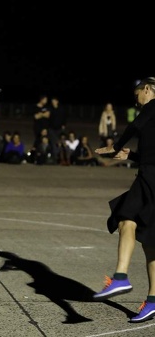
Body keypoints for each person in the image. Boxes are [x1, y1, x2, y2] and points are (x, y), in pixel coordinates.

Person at [92, 77, 155, 323]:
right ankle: (152, 302)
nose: (136, 99)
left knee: (125, 218)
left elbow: (134, 126)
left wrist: (115, 145)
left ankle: (120, 277)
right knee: (150, 242)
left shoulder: (152, 108)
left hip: (150, 178)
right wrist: (132, 155)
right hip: (151, 172)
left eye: (137, 93)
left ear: (148, 90)